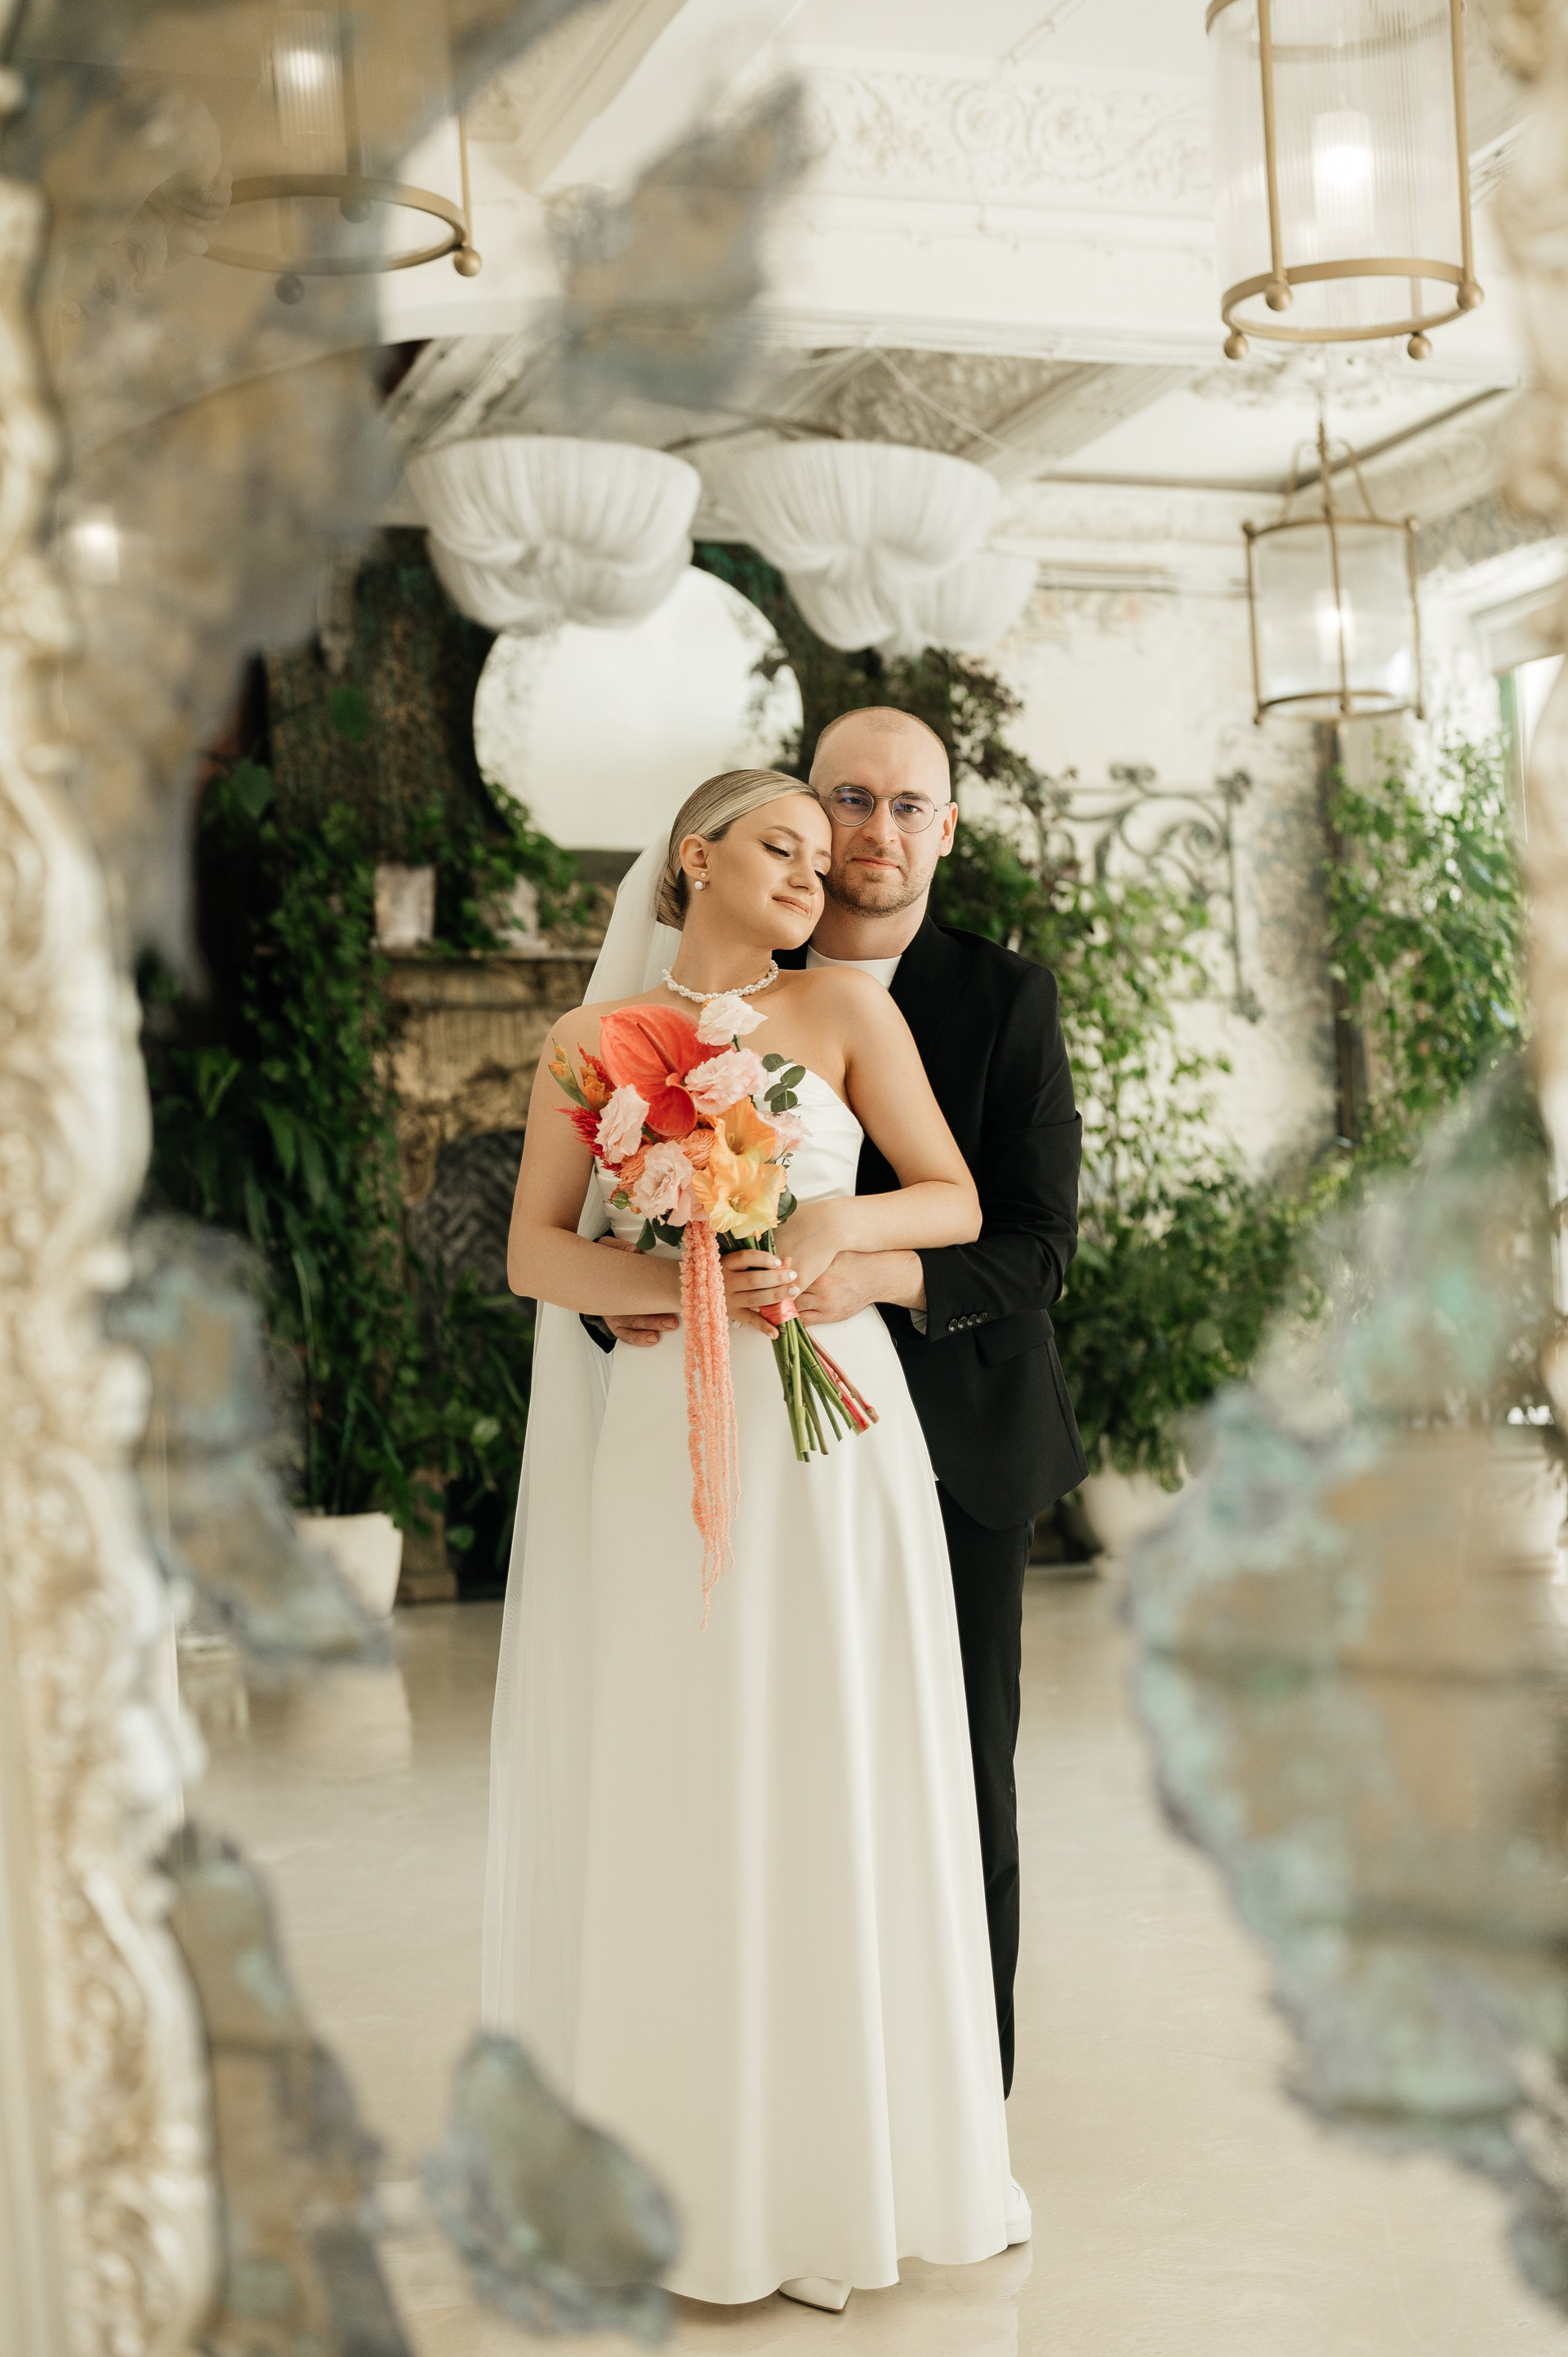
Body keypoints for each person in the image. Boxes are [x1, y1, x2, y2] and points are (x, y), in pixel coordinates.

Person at [488, 767, 1015, 2315]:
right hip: (669, 1433)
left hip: (830, 1431)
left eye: (821, 856)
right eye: (780, 846)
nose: (815, 872)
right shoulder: (589, 1041)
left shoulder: (846, 1010)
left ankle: (849, 2172)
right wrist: (677, 1283)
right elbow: (535, 1251)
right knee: (683, 1759)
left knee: (832, 1749)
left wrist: (832, 1227)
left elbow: (954, 1200)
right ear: (693, 857)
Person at [604, 708, 1088, 2114]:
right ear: (803, 815)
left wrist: (869, 1270)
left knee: (955, 1777)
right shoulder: (727, 989)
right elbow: (624, 1209)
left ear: (948, 829)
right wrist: (629, 1296)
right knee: (778, 1764)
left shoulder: (1007, 998)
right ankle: (803, 2094)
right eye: (849, 802)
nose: (876, 832)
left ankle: (961, 2109)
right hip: (762, 1442)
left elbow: (1038, 1244)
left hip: (959, 1444)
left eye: (908, 805)